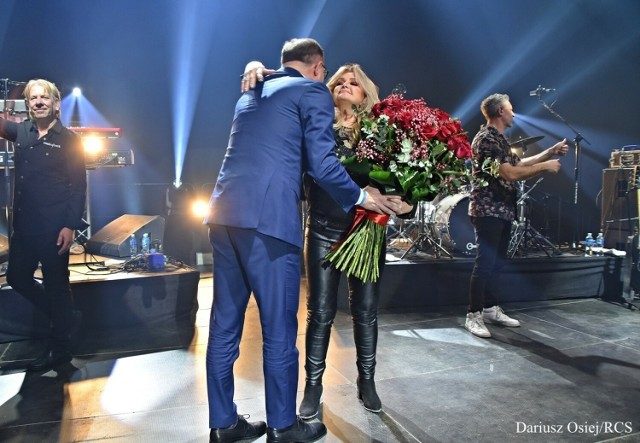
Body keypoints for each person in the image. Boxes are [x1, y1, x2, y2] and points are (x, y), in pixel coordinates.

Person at [205, 39, 402, 443]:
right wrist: (367, 197)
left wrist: (254, 62)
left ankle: (223, 424)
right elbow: (324, 164)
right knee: (279, 329)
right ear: (318, 67)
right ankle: (282, 425)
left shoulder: (252, 89)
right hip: (268, 222)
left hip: (224, 213)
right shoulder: (310, 90)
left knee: (224, 326)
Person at [0, 78, 86, 371]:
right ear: (28, 104)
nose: (38, 102)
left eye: (43, 98)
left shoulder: (69, 140)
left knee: (57, 286)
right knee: (16, 278)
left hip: (54, 229)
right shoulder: (21, 131)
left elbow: (78, 187)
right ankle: (64, 317)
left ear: (55, 103)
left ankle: (60, 351)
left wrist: (69, 225)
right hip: (24, 226)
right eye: (33, 98)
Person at [465, 93, 568, 338]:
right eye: (511, 109)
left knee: (498, 263)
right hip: (488, 209)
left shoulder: (500, 139)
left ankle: (490, 309)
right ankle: (473, 314)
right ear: (500, 111)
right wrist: (545, 167)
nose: (514, 113)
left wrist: (550, 152)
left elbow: (519, 163)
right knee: (485, 264)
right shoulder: (486, 139)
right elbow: (508, 174)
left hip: (502, 209)